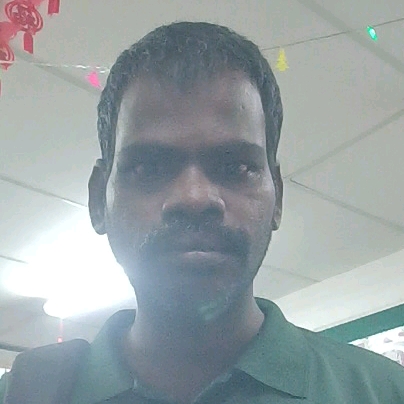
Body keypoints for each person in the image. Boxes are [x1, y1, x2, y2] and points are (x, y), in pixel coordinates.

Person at [1, 21, 404, 404]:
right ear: (97, 201)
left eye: (236, 166)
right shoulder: (18, 396)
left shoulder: (384, 392)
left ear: (277, 198)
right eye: (148, 168)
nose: (193, 197)